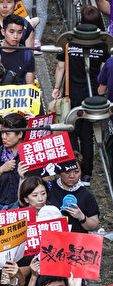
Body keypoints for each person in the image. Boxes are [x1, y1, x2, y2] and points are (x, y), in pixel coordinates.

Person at [57, 5, 108, 185]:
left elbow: (61, 67)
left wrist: (56, 87)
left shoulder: (69, 42)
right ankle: (86, 174)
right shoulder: (102, 45)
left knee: (71, 132)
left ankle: (72, 168)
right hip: (92, 95)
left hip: (72, 93)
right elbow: (103, 72)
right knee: (87, 135)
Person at [46, 153, 99, 233]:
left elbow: (94, 225)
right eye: (67, 172)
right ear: (59, 172)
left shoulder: (87, 195)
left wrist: (81, 217)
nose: (72, 176)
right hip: (51, 237)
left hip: (76, 239)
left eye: (76, 172)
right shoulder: (48, 188)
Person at [0, 113, 25, 209]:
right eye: (2, 132)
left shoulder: (28, 153)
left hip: (24, 208)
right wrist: (1, 170)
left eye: (7, 134)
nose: (3, 137)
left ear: (20, 134)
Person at [0, 14, 35, 85]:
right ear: (3, 32)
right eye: (11, 32)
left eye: (19, 32)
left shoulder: (27, 54)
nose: (15, 36)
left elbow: (30, 84)